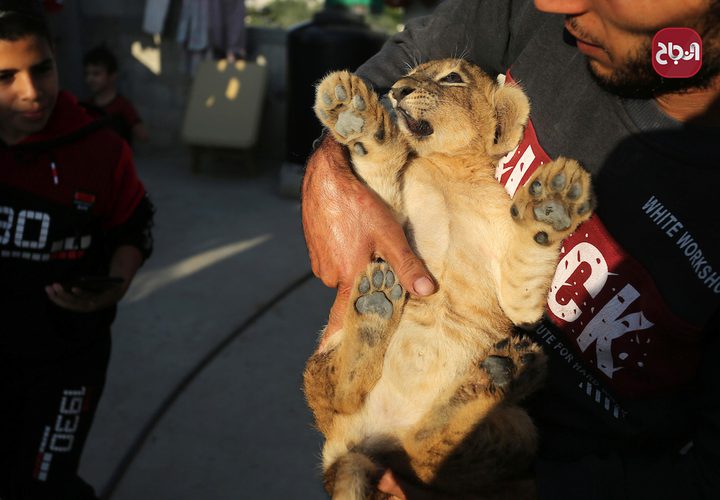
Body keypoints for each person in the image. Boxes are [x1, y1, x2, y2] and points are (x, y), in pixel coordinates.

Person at [301, 0, 720, 498]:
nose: (553, 3)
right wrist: (333, 169)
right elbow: (408, 57)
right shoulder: (538, 14)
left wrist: (501, 491)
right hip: (376, 391)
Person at [0, 2, 154, 499]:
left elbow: (133, 229)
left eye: (41, 69)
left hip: (69, 361)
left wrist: (114, 286)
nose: (31, 92)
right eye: (5, 77)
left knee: (45, 483)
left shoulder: (100, 147)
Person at [82, 43, 149, 147]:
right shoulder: (86, 106)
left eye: (96, 74)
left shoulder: (122, 106)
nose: (90, 79)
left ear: (112, 76)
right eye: (87, 74)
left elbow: (143, 135)